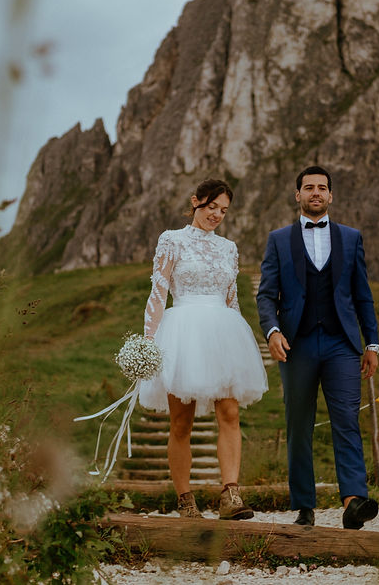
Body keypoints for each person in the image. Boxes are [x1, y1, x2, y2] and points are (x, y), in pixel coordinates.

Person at [255, 165, 379, 529]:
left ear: (330, 195)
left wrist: (371, 342)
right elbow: (266, 295)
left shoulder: (351, 237)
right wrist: (273, 331)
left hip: (342, 344)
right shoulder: (278, 239)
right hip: (297, 344)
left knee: (346, 420)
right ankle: (304, 506)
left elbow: (363, 296)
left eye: (321, 188)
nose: (315, 193)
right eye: (308, 187)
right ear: (298, 195)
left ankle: (354, 501)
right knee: (299, 424)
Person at [138, 178, 268, 520]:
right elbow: (158, 292)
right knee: (182, 423)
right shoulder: (172, 240)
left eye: (223, 210)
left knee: (230, 413)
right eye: (212, 207)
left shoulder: (229, 248)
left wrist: (240, 346)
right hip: (182, 333)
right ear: (196, 202)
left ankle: (231, 495)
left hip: (222, 333)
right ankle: (186, 501)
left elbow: (232, 299)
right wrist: (148, 343)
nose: (217, 215)